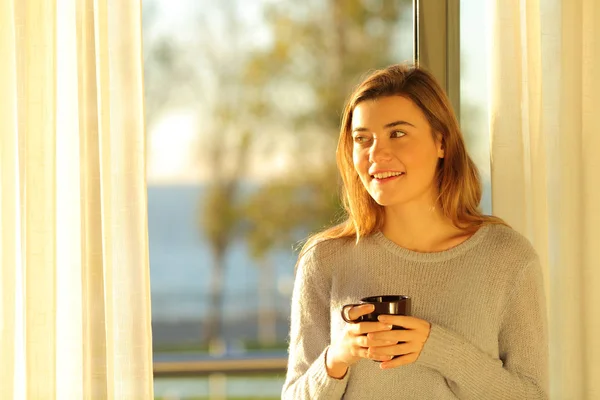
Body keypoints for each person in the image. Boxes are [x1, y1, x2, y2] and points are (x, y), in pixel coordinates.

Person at [281, 64, 549, 399]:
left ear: (442, 142)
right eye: (363, 139)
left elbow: (532, 395)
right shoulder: (325, 259)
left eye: (397, 133)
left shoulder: (507, 258)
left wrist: (436, 347)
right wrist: (337, 358)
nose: (377, 154)